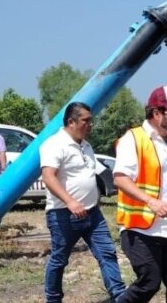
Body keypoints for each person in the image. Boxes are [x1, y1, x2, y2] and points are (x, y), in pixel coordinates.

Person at [114, 86, 167, 303]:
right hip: (140, 230)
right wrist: (151, 201)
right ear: (157, 113)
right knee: (149, 282)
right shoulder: (134, 139)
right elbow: (120, 178)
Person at [39, 102, 125, 303]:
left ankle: (120, 295)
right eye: (86, 121)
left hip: (93, 214)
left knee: (107, 253)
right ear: (71, 121)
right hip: (64, 214)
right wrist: (70, 202)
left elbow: (96, 172)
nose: (90, 125)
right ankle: (53, 299)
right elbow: (48, 176)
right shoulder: (54, 144)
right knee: (59, 259)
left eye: (90, 121)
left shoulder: (86, 146)